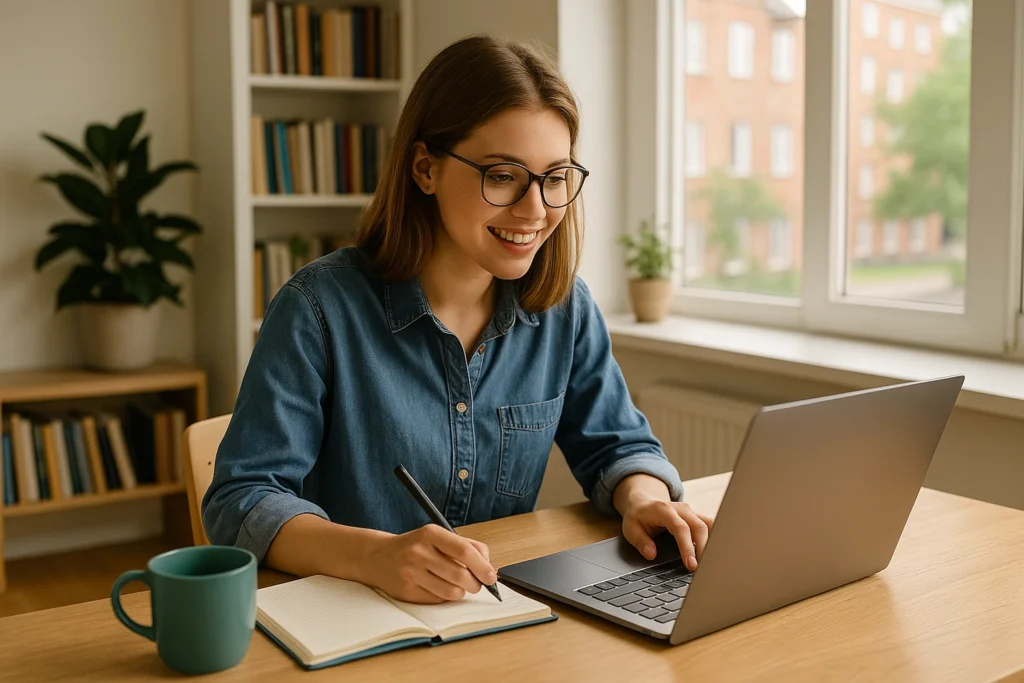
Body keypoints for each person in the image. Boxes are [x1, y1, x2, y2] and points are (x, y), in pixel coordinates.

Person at [202, 35, 714, 605]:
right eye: (502, 176)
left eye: (555, 177)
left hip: (493, 615)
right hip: (351, 615)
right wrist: (374, 555)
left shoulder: (564, 308)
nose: (535, 209)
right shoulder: (318, 308)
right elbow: (241, 498)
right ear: (425, 168)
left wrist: (643, 499)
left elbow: (618, 446)